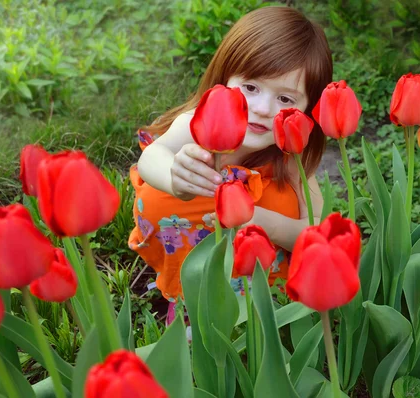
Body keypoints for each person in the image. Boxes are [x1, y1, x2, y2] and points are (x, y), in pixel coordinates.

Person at [128, 6, 333, 305]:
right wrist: (175, 175)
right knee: (159, 193)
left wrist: (263, 221)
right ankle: (186, 293)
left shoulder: (291, 155)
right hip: (186, 245)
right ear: (224, 80)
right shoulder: (197, 125)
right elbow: (151, 158)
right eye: (250, 87)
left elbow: (316, 230)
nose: (262, 108)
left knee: (280, 201)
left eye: (285, 98)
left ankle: (257, 304)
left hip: (255, 271)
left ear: (308, 107)